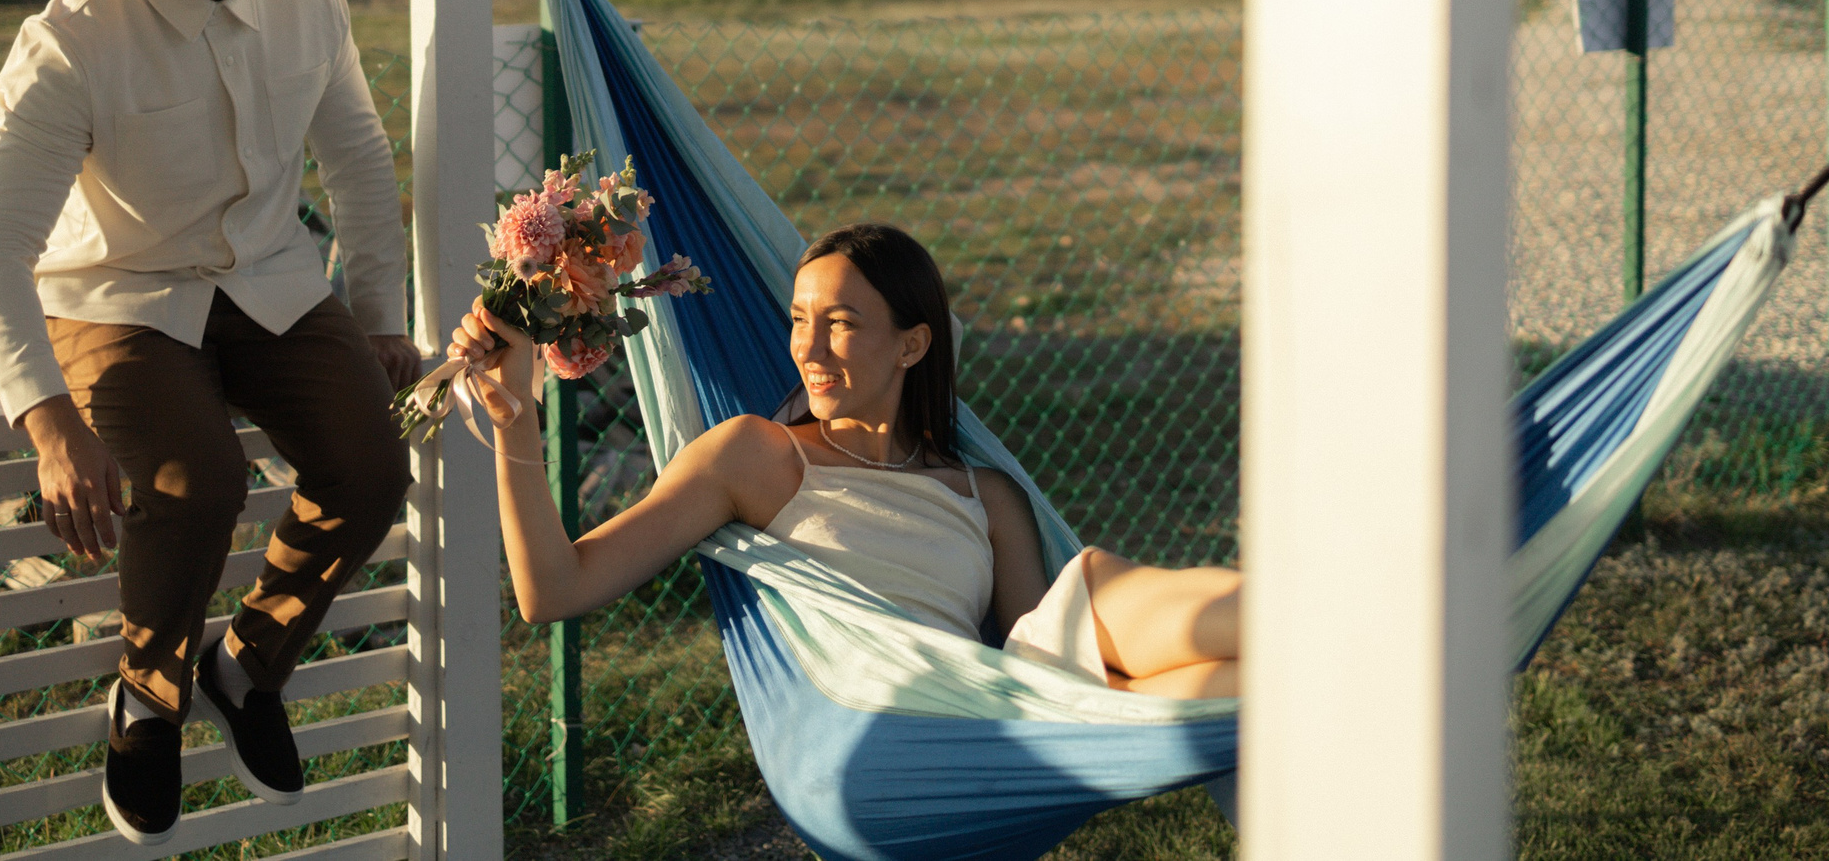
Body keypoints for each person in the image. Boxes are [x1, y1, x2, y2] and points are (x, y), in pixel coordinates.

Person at [0, 0, 417, 845]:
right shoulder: (68, 39)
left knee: (371, 468)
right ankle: (148, 696)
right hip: (120, 290)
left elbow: (356, 157)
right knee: (193, 479)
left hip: (271, 278)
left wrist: (380, 315)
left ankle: (246, 668)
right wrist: (48, 422)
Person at [452, 222, 1239, 699]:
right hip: (889, 722)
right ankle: (1328, 629)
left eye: (842, 323)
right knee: (1149, 617)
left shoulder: (985, 495)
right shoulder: (755, 456)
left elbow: (1044, 666)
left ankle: (1326, 645)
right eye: (800, 319)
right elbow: (552, 590)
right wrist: (516, 421)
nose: (810, 348)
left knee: (1234, 684)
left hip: (1000, 712)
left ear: (913, 343)